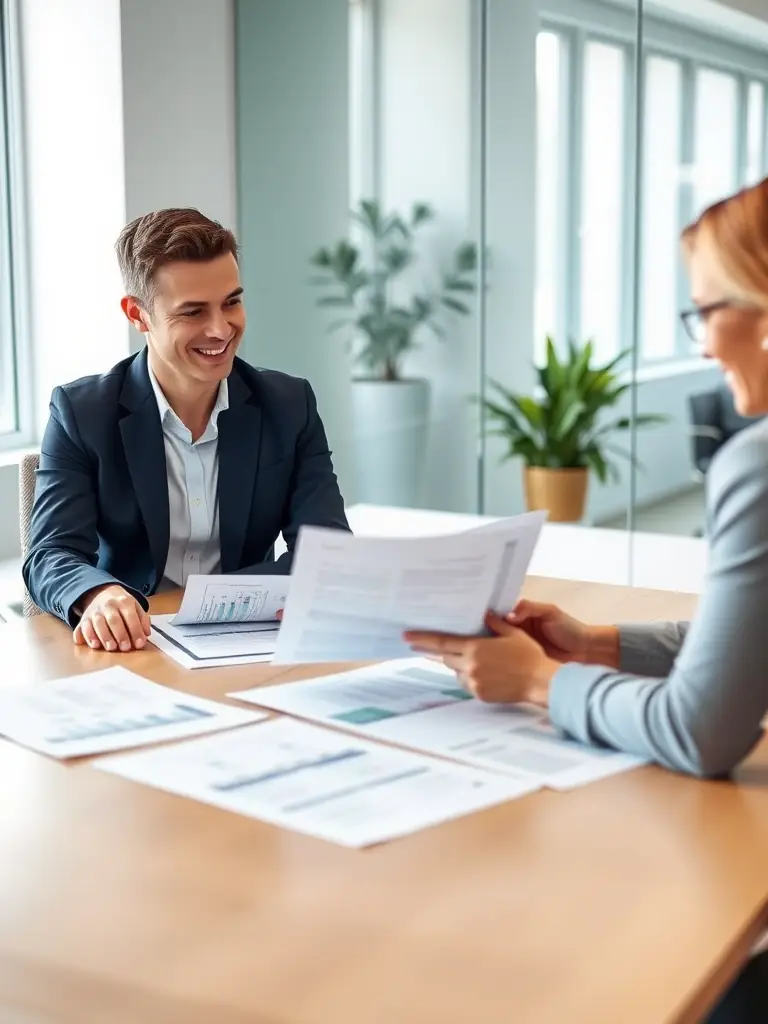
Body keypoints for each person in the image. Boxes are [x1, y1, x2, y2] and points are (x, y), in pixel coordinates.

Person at [405, 178, 768, 1022]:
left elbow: (699, 732)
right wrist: (595, 641)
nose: (705, 344)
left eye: (706, 310)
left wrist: (533, 682)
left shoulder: (758, 464)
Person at [24, 208, 349, 652]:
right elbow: (49, 555)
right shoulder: (82, 412)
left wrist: (219, 600)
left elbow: (329, 551)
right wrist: (98, 595)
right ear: (137, 315)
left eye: (231, 302)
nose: (221, 329)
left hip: (252, 641)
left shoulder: (289, 404)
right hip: (136, 645)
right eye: (193, 312)